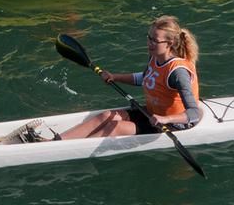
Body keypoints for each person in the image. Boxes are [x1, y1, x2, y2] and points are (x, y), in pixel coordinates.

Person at [56, 15, 201, 140]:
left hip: (174, 123)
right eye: (149, 38)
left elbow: (194, 113)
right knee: (106, 115)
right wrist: (115, 77)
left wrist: (166, 119)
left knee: (116, 127)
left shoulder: (178, 73)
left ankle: (73, 149)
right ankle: (55, 141)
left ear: (169, 44)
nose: (149, 43)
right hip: (153, 114)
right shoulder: (155, 57)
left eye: (154, 40)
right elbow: (145, 78)